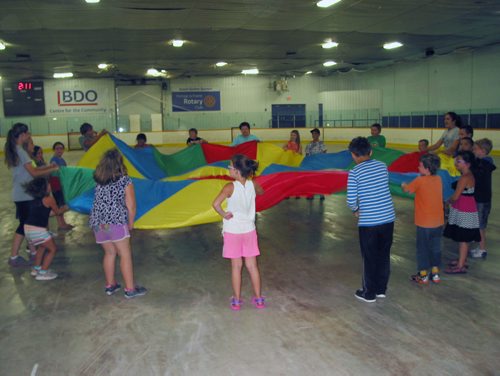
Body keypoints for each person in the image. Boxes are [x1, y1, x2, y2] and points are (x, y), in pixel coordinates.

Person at [89, 149, 147, 299]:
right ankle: (130, 289)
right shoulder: (124, 180)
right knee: (125, 254)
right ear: (119, 163)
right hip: (116, 221)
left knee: (109, 253)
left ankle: (110, 285)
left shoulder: (99, 180)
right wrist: (131, 223)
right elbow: (131, 205)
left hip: (98, 223)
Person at [212, 154, 265, 310]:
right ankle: (259, 299)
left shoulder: (229, 187)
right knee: (252, 266)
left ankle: (236, 300)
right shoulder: (252, 184)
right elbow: (261, 192)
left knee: (236, 266)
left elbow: (215, 204)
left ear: (236, 171)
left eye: (230, 167)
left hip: (233, 231)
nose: (228, 169)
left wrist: (224, 214)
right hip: (249, 230)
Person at [347, 137, 395, 303]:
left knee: (369, 257)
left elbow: (351, 199)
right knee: (383, 255)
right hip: (388, 218)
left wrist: (355, 210)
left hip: (369, 222)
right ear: (371, 151)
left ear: (353, 155)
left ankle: (368, 293)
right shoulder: (382, 166)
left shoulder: (354, 172)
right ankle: (381, 289)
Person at [4, 123, 59, 267]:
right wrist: (50, 170)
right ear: (22, 135)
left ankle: (33, 252)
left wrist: (48, 167)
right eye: (27, 134)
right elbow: (33, 173)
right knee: (24, 226)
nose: (29, 136)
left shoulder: (17, 150)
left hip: (22, 194)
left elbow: (33, 168)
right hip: (24, 195)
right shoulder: (21, 152)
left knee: (27, 224)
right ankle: (14, 256)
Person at [402, 154, 444, 284]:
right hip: (438, 222)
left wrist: (403, 184)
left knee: (422, 249)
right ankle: (435, 274)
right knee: (435, 247)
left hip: (424, 223)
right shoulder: (438, 179)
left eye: (420, 165)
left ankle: (423, 275)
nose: (417, 167)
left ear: (426, 169)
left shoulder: (419, 180)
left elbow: (408, 190)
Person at [443, 151, 481, 274]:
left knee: (463, 238)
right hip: (465, 208)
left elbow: (455, 196)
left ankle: (460, 265)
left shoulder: (464, 178)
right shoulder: (468, 175)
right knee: (463, 238)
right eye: (456, 161)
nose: (456, 163)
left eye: (459, 161)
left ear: (468, 164)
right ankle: (462, 260)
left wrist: (446, 201)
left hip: (464, 210)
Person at [23, 178, 67, 280]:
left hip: (28, 229)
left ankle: (36, 269)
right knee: (53, 249)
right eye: (48, 185)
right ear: (45, 188)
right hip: (38, 230)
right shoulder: (49, 199)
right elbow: (58, 212)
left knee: (42, 247)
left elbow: (47, 213)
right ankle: (43, 272)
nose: (50, 186)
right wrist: (67, 207)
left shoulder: (34, 199)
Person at [470, 139, 496, 259]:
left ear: (483, 151)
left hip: (482, 199)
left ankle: (482, 249)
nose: (473, 151)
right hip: (480, 198)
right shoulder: (482, 162)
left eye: (475, 149)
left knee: (481, 225)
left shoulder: (485, 164)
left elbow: (477, 174)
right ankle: (480, 246)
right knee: (479, 223)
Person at [50, 142, 74, 230]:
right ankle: (61, 224)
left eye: (61, 148)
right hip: (56, 184)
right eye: (57, 148)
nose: (59, 150)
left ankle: (62, 223)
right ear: (54, 150)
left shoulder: (62, 160)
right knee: (60, 205)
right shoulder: (54, 160)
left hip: (61, 184)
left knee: (61, 204)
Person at [305, 128, 328, 200]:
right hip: (311, 164)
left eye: (315, 133)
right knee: (311, 179)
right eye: (312, 134)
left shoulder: (321, 144)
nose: (313, 135)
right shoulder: (309, 144)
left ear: (318, 134)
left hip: (319, 164)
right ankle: (311, 194)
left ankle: (321, 194)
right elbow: (307, 154)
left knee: (320, 179)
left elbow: (324, 154)